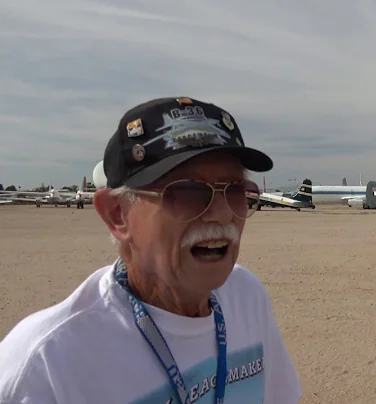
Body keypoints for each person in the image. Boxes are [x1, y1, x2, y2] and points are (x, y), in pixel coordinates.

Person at [0, 97, 303, 404]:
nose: (223, 213)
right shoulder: (45, 367)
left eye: (235, 190)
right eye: (188, 192)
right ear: (117, 214)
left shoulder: (247, 298)